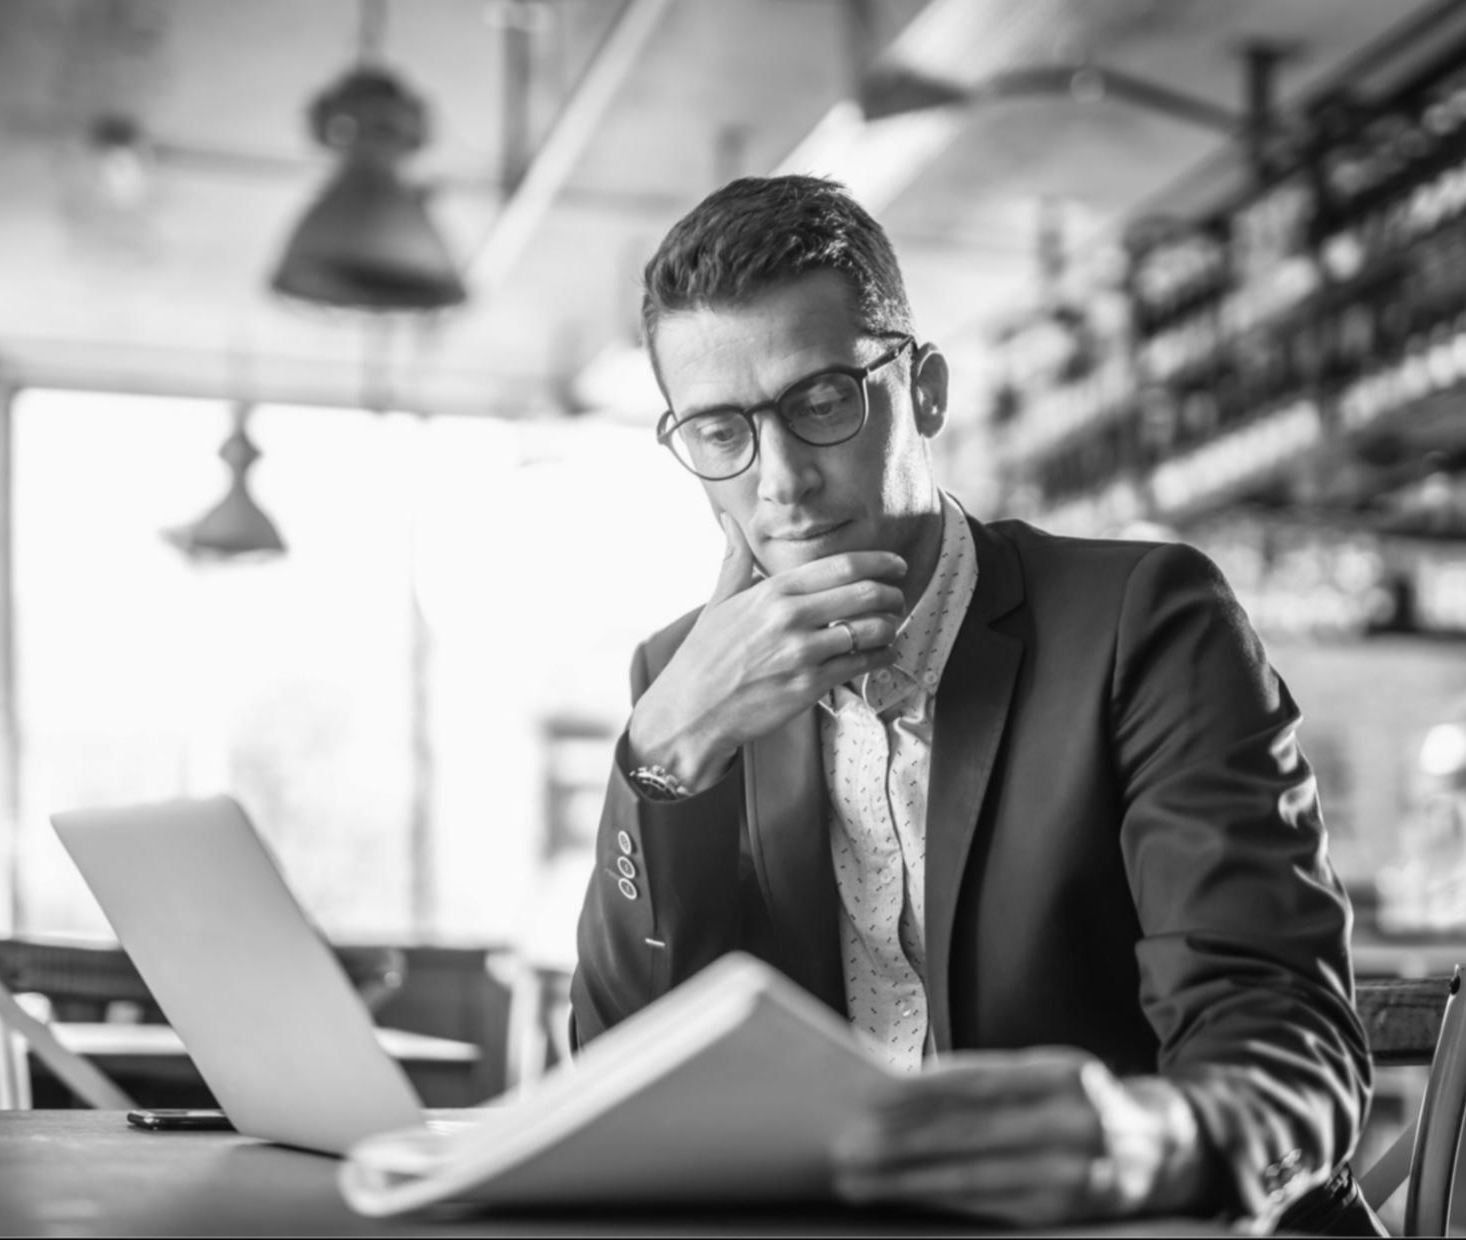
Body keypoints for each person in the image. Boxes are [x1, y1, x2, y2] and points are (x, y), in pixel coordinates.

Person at [570, 174, 1378, 1233]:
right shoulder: (680, 680)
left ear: (926, 391)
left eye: (821, 401)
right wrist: (662, 756)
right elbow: (618, 1077)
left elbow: (1285, 1034)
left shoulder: (1143, 619)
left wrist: (1147, 1143)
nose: (782, 484)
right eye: (721, 432)